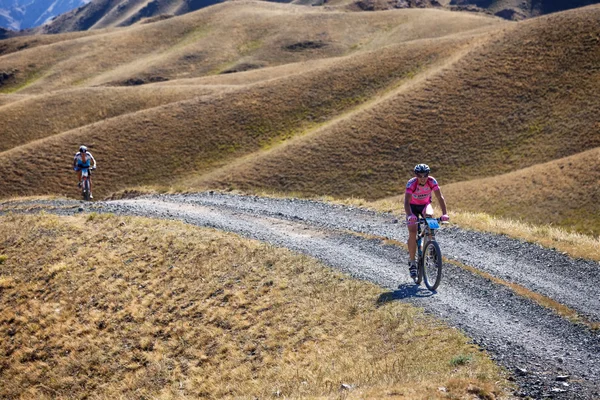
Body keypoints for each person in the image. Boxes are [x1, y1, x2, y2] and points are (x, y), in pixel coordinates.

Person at [404, 164, 449, 278]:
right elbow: (406, 202)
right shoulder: (412, 183)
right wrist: (410, 215)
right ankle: (412, 262)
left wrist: (445, 214)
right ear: (416, 175)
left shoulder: (432, 181)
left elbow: (440, 197)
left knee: (430, 217)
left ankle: (432, 246)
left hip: (425, 205)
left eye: (425, 175)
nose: (423, 177)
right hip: (412, 207)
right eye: (420, 175)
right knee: (413, 231)